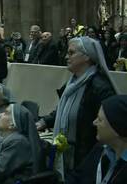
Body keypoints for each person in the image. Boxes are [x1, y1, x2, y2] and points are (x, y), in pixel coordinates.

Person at [36, 36, 117, 179]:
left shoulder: (100, 88)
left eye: (71, 53)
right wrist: (43, 122)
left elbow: (109, 126)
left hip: (86, 158)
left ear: (87, 57)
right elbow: (65, 110)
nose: (66, 57)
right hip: (71, 155)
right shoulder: (72, 82)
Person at [66, 95, 127, 184]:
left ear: (117, 129)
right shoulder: (101, 148)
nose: (94, 122)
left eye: (100, 119)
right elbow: (77, 177)